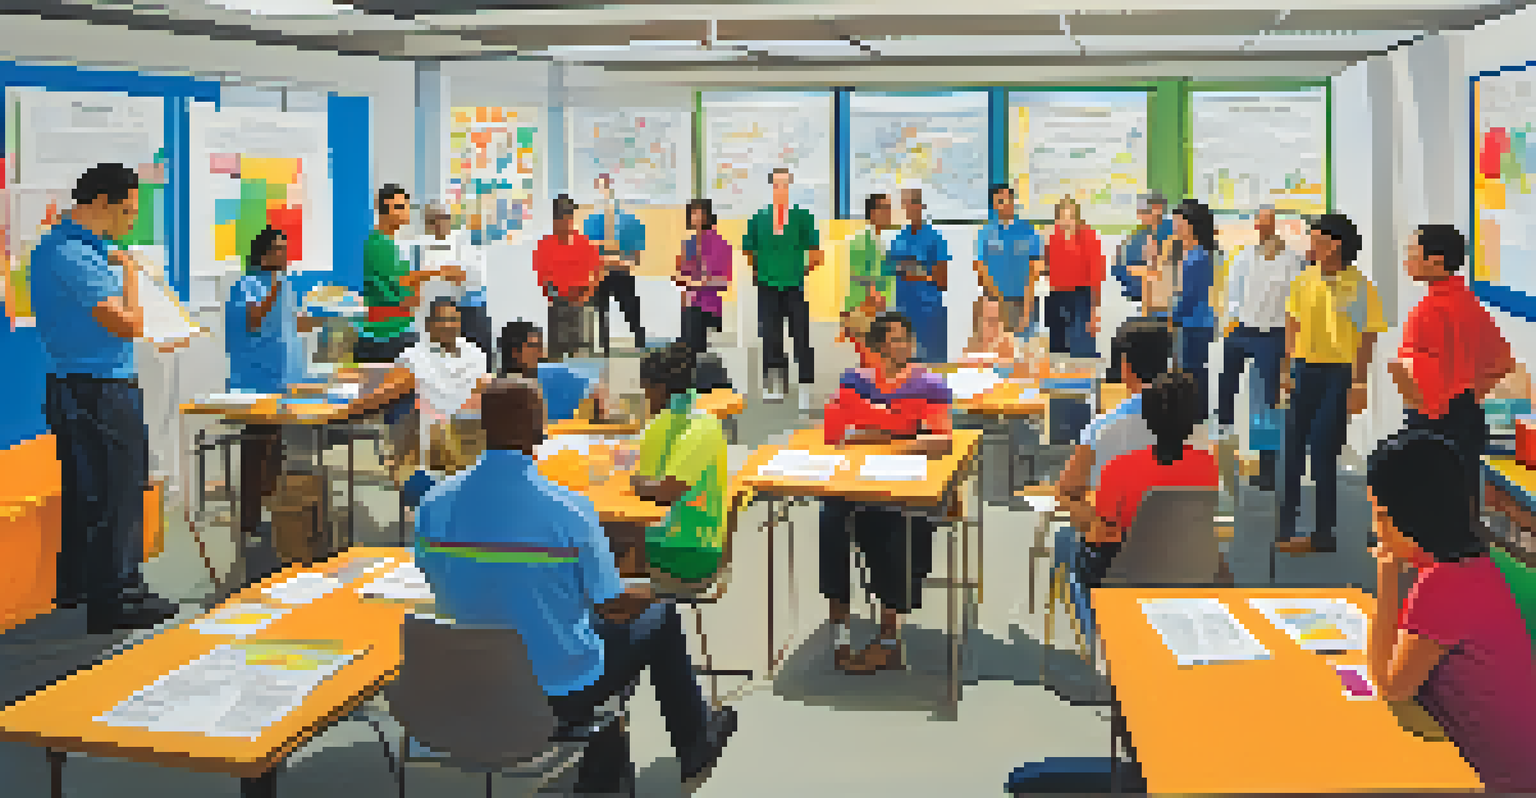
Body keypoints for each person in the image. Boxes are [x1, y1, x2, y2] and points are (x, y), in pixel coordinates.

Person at [414, 379, 737, 795]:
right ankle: (695, 744)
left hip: (470, 685)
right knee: (660, 617)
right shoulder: (569, 510)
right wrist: (653, 593)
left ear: (484, 427)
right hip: (556, 692)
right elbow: (613, 606)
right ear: (537, 426)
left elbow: (431, 577)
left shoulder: (434, 506)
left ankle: (610, 756)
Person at [31, 162, 177, 633]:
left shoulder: (78, 250)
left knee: (91, 493)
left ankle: (82, 588)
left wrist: (116, 260)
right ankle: (117, 596)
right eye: (128, 211)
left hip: (82, 386)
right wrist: (132, 273)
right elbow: (127, 323)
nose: (132, 221)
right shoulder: (72, 255)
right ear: (101, 204)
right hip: (96, 389)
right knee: (118, 492)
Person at [1364, 430, 1536, 792]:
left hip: (1493, 782)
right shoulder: (1476, 566)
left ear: (1395, 515)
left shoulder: (1440, 585)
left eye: (1378, 514)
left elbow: (1391, 684)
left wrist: (1387, 572)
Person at [820, 312, 954, 674]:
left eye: (907, 338)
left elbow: (941, 439)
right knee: (830, 518)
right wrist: (900, 429)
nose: (905, 345)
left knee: (895, 523)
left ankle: (890, 638)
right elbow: (835, 432)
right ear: (878, 348)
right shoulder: (855, 379)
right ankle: (839, 629)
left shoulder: (930, 383)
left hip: (907, 484)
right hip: (859, 478)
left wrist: (888, 439)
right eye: (896, 340)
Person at [1071, 371, 1218, 640]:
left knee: (1075, 555)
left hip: (1127, 571)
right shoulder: (1207, 464)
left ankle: (1098, 639)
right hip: (1185, 565)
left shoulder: (1119, 469)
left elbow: (1101, 532)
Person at [1052, 320, 1174, 631]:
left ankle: (1100, 640)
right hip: (1178, 554)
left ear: (1125, 366)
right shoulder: (1195, 429)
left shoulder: (1104, 429)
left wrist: (1086, 513)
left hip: (1113, 558)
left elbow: (1066, 490)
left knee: (1065, 542)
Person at [1277, 213, 1387, 554]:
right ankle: (1286, 529)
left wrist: (1359, 384)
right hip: (1303, 371)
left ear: (1334, 245)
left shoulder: (1359, 287)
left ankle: (1324, 533)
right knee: (1291, 453)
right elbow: (1291, 326)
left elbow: (1366, 339)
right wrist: (1286, 369)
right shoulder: (1303, 281)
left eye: (1315, 240)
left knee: (1324, 453)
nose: (1309, 245)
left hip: (1338, 377)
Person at [1391, 224, 1514, 501]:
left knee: (1430, 500)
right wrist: (1470, 392)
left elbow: (1418, 378)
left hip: (1434, 419)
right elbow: (1501, 362)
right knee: (1463, 495)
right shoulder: (1470, 303)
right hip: (1466, 413)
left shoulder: (1427, 311)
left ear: (1435, 262)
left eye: (1413, 252)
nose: (1407, 260)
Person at [225, 226, 322, 541]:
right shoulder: (247, 284)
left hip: (283, 379)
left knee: (275, 449)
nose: (285, 254)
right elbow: (254, 319)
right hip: (256, 381)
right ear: (264, 253)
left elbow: (291, 323)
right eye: (279, 249)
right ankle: (249, 521)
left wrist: (325, 314)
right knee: (256, 449)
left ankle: (272, 511)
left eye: (286, 247)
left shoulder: (282, 285)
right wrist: (276, 291)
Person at [1216, 206, 1303, 490]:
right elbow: (1232, 293)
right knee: (1225, 387)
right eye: (1259, 221)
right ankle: (1222, 442)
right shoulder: (1243, 257)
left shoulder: (1293, 260)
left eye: (1268, 221)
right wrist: (1230, 326)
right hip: (1241, 330)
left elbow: (1296, 302)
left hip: (1273, 334)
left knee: (1268, 402)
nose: (1262, 226)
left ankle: (1268, 468)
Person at [629, 343, 729, 583]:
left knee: (585, 555)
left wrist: (637, 484)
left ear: (660, 389)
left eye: (646, 390)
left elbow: (666, 492)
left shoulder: (700, 427)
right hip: (671, 537)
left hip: (690, 551)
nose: (645, 398)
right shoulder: (672, 421)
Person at [743, 167, 822, 408]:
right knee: (770, 334)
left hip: (794, 285)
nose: (781, 189)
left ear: (791, 186)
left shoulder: (803, 217)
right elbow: (749, 249)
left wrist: (802, 271)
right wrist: (757, 272)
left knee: (800, 334)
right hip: (767, 285)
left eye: (785, 184)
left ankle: (806, 385)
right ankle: (776, 382)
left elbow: (817, 252)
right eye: (776, 185)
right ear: (771, 187)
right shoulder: (758, 218)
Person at [357, 184, 462, 364]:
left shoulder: (391, 245)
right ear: (382, 211)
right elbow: (403, 288)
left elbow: (405, 282)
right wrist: (438, 273)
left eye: (406, 206)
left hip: (397, 330)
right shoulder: (381, 245)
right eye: (399, 207)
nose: (405, 212)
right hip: (387, 334)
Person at [397, 299, 490, 482]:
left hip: (471, 441)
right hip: (431, 444)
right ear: (428, 325)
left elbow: (482, 395)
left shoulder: (477, 355)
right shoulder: (410, 358)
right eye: (442, 320)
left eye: (453, 319)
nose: (448, 325)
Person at [420, 204, 493, 370]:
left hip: (469, 310)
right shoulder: (424, 246)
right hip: (440, 312)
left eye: (443, 218)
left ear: (449, 220)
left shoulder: (462, 241)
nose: (438, 224)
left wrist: (432, 274)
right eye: (432, 221)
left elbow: (461, 275)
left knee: (476, 362)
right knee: (447, 362)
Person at [584, 173, 647, 353]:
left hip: (621, 275)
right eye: (602, 188)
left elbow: (635, 258)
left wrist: (613, 261)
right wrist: (614, 260)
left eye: (609, 187)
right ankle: (603, 346)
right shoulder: (591, 222)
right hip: (601, 275)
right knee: (600, 311)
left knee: (630, 309)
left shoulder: (631, 222)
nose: (606, 193)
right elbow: (590, 256)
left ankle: (639, 341)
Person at [1169, 198, 1219, 423]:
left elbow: (1188, 297)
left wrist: (1170, 318)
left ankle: (1194, 417)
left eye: (1179, 224)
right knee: (1194, 372)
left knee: (1191, 373)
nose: (1175, 228)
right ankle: (1195, 415)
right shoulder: (1197, 254)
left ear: (1192, 226)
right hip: (1197, 322)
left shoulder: (1197, 257)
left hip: (1194, 324)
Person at [533, 195, 601, 361]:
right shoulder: (545, 244)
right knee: (556, 352)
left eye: (569, 216)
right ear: (555, 219)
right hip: (558, 304)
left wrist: (583, 296)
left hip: (582, 304)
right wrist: (558, 296)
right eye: (563, 217)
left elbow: (595, 274)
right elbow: (543, 278)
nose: (567, 221)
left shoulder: (585, 243)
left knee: (580, 353)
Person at [889, 188, 951, 364]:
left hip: (929, 315)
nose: (909, 208)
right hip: (903, 313)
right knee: (904, 367)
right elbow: (891, 271)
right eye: (905, 204)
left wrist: (917, 274)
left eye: (912, 203)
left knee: (931, 367)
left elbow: (943, 280)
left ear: (921, 206)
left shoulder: (935, 238)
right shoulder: (898, 239)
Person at [498, 319, 600, 423]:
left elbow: (595, 392)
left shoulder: (556, 375)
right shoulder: (499, 392)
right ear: (515, 352)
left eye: (540, 346)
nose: (541, 354)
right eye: (534, 347)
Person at [975, 183, 1043, 335]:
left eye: (1008, 199)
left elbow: (1034, 271)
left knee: (1024, 351)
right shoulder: (985, 233)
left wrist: (1027, 309)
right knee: (996, 352)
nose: (1006, 204)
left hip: (1023, 303)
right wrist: (998, 304)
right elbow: (981, 269)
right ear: (994, 205)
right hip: (994, 304)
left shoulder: (1028, 230)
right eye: (1000, 201)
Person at [1044, 197, 1104, 360]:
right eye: (1062, 217)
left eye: (1070, 216)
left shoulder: (1088, 236)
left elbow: (1096, 276)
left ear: (1077, 218)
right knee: (1057, 350)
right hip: (1056, 297)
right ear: (1057, 219)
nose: (1066, 221)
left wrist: (1094, 311)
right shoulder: (1052, 238)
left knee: (1081, 349)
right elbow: (1046, 269)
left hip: (1081, 298)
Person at [675, 198, 732, 354]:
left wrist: (703, 282)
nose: (697, 217)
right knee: (682, 342)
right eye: (693, 213)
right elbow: (679, 276)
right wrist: (684, 281)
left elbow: (725, 281)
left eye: (701, 213)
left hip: (709, 306)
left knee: (693, 344)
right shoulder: (688, 244)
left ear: (708, 216)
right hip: (689, 304)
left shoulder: (721, 244)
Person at [1114, 194, 1173, 308]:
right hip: (1141, 294)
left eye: (1147, 211)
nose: (1142, 216)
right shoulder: (1135, 237)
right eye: (1142, 212)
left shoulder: (1172, 230)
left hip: (1165, 294)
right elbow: (1121, 268)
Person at [846, 192, 896, 320]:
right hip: (863, 309)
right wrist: (874, 292)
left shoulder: (886, 240)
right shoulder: (860, 240)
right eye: (885, 208)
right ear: (873, 213)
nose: (889, 213)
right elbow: (854, 275)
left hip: (883, 308)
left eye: (889, 208)